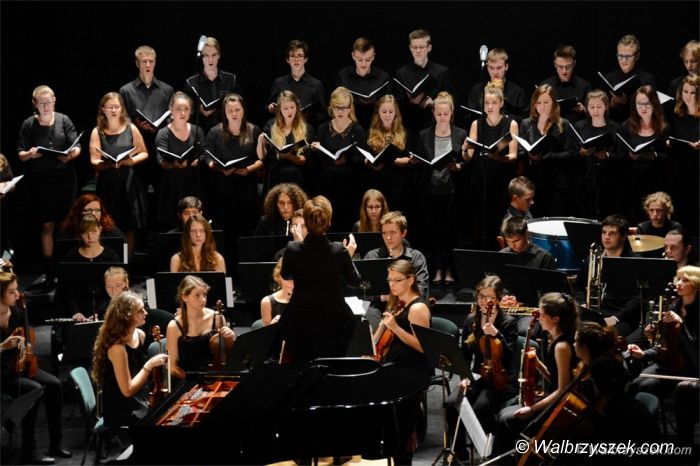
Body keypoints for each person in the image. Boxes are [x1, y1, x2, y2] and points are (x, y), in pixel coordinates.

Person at [493, 292, 579, 457]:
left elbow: (563, 389)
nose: (539, 318)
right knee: (504, 413)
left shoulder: (561, 346)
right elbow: (556, 379)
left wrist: (532, 409)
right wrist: (539, 366)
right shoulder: (556, 340)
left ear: (556, 319)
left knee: (506, 420)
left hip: (558, 405)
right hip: (553, 397)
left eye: (543, 315)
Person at [0, 272, 71, 464]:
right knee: (33, 389)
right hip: (3, 373)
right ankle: (29, 450)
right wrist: (2, 346)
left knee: (55, 385)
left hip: (21, 365)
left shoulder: (17, 312)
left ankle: (55, 443)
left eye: (17, 290)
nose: (18, 295)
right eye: (11, 292)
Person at [278, 196, 360, 363]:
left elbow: (286, 275)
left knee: (302, 365)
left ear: (307, 223)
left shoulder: (292, 248)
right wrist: (347, 257)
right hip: (334, 320)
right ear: (328, 221)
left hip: (300, 319)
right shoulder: (339, 250)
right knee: (333, 364)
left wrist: (299, 248)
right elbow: (355, 282)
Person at [447, 275, 518, 458]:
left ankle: (492, 452)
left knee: (480, 408)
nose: (485, 302)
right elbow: (464, 354)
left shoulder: (508, 322)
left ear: (499, 299)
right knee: (451, 403)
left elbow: (511, 355)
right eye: (481, 297)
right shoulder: (471, 320)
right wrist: (464, 377)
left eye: (490, 297)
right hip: (478, 376)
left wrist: (497, 334)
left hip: (501, 381)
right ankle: (459, 453)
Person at [17, 85, 81, 287]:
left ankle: (66, 268)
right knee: (47, 225)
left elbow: (77, 146)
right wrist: (30, 154)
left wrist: (69, 155)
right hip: (41, 181)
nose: (46, 106)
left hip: (65, 179)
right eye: (42, 103)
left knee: (66, 225)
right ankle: (49, 271)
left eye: (49, 102)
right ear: (35, 104)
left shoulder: (64, 120)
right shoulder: (29, 124)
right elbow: (20, 153)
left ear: (54, 100)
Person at [376, 259, 432, 466]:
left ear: (410, 280)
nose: (392, 284)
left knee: (401, 429)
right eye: (389, 280)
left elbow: (423, 347)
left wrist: (396, 328)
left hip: (412, 370)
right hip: (395, 367)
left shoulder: (417, 308)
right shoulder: (396, 304)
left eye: (397, 280)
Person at [204, 93, 264, 268]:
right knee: (226, 231)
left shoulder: (253, 130)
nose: (234, 114)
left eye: (237, 109)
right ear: (224, 112)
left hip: (246, 187)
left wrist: (248, 169)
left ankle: (245, 269)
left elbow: (262, 160)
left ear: (243, 110)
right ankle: (226, 269)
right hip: (223, 188)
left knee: (246, 230)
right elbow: (207, 156)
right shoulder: (215, 131)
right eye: (230, 111)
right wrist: (218, 168)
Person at [91, 291, 168, 426]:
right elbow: (127, 390)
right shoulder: (117, 348)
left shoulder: (140, 335)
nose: (146, 313)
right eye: (140, 311)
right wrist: (150, 364)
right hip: (121, 409)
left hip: (139, 398)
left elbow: (137, 372)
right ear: (127, 316)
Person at [628, 266, 699, 409]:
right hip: (669, 364)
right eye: (678, 279)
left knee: (647, 386)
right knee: (634, 385)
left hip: (691, 367)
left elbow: (695, 348)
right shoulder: (674, 307)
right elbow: (664, 345)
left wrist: (681, 324)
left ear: (696, 285)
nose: (679, 283)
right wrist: (643, 354)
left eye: (685, 280)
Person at [414, 91, 466, 284]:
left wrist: (457, 166)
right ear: (434, 113)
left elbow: (465, 163)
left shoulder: (460, 134)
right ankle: (437, 268)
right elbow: (419, 159)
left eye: (446, 114)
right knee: (433, 232)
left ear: (451, 114)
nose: (442, 117)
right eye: (439, 114)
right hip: (430, 190)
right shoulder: (424, 135)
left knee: (450, 232)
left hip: (452, 191)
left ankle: (450, 269)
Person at [89, 92, 148, 257]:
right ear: (103, 109)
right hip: (107, 183)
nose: (113, 110)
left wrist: (131, 161)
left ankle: (127, 262)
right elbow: (93, 159)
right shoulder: (97, 131)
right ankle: (111, 259)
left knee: (129, 225)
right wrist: (105, 163)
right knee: (108, 224)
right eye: (109, 107)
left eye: (116, 107)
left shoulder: (131, 128)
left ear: (122, 109)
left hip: (128, 182)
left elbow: (144, 153)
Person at [464, 82, 519, 248]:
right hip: (480, 180)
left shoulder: (511, 124)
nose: (489, 106)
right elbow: (468, 157)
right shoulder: (477, 124)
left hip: (501, 181)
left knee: (498, 223)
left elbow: (513, 156)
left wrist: (496, 157)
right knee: (480, 222)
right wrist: (465, 149)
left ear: (501, 103)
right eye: (486, 103)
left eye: (494, 103)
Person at [119, 45, 174, 196]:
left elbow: (171, 117)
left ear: (155, 63)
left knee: (162, 192)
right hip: (137, 147)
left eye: (151, 61)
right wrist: (135, 124)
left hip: (160, 147)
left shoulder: (167, 90)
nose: (148, 65)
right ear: (137, 64)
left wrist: (160, 126)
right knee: (138, 192)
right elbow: (122, 118)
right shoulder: (126, 90)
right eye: (144, 61)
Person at [310, 87, 367, 232]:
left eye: (344, 108)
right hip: (327, 185)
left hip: (350, 187)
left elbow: (361, 158)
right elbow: (317, 162)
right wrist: (316, 149)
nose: (340, 111)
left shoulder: (357, 130)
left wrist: (347, 160)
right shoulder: (322, 129)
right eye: (337, 108)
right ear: (331, 107)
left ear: (350, 108)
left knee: (348, 224)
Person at [576, 215, 641, 338]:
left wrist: (617, 317)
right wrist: (583, 303)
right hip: (594, 313)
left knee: (602, 338)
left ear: (623, 236)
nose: (606, 237)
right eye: (604, 232)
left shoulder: (634, 262)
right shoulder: (592, 259)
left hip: (621, 316)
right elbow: (579, 286)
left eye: (612, 233)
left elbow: (638, 297)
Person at [363, 211, 429, 330]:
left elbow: (421, 290)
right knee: (369, 321)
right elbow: (363, 293)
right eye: (384, 233)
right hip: (377, 308)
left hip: (405, 308)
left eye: (393, 233)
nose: (388, 238)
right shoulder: (371, 256)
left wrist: (397, 297)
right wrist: (383, 297)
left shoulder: (416, 257)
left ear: (403, 233)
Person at [518, 84, 576, 217]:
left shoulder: (563, 124)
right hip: (532, 182)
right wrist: (529, 155)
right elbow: (520, 151)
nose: (542, 106)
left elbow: (570, 153)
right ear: (534, 104)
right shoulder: (526, 123)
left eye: (546, 102)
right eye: (539, 102)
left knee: (554, 219)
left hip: (556, 182)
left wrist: (546, 156)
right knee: (534, 220)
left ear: (553, 103)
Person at [616, 85, 671, 223]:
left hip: (656, 183)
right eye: (639, 104)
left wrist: (654, 156)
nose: (643, 108)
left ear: (654, 104)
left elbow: (671, 157)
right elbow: (619, 155)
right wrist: (630, 156)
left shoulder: (664, 128)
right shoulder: (626, 126)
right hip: (631, 183)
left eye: (647, 103)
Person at [166, 275, 235, 379]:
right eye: (197, 295)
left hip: (214, 376)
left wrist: (231, 337)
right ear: (184, 297)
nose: (203, 300)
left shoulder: (217, 317)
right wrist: (196, 381)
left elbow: (225, 353)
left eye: (204, 295)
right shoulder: (174, 326)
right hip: (188, 378)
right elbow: (172, 368)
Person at [155, 92, 205, 231]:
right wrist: (173, 164)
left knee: (195, 222)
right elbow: (160, 159)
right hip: (172, 184)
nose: (183, 113)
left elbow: (204, 152)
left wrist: (197, 161)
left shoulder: (197, 130)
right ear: (171, 110)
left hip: (192, 181)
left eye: (186, 109)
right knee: (172, 223)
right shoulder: (163, 133)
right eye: (178, 109)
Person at [572, 90, 622, 219]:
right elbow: (572, 154)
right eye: (592, 107)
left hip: (608, 181)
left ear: (606, 106)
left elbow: (622, 156)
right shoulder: (580, 127)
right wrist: (581, 153)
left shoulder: (616, 127)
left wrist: (607, 155)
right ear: (586, 108)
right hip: (585, 180)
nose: (595, 111)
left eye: (599, 107)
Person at [395, 29, 456, 133]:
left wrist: (435, 103)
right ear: (410, 48)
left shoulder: (442, 72)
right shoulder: (401, 73)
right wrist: (411, 102)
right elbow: (397, 105)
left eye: (422, 47)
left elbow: (452, 101)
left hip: (434, 126)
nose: (418, 51)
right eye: (415, 47)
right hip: (409, 127)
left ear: (429, 48)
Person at [364, 94, 415, 214]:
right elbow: (366, 157)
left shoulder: (405, 133)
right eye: (384, 112)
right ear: (378, 113)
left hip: (399, 184)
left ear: (396, 113)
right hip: (377, 183)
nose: (387, 115)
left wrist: (395, 160)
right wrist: (371, 164)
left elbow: (410, 158)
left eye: (390, 112)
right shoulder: (371, 132)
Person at [183, 36, 242, 133]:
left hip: (227, 132)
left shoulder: (231, 80)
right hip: (201, 133)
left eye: (214, 55)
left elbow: (241, 106)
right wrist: (198, 110)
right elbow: (185, 112)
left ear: (219, 55)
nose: (210, 60)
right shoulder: (191, 82)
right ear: (202, 57)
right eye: (206, 55)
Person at [259, 91, 314, 194]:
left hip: (296, 176)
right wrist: (260, 143)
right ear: (280, 109)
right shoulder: (270, 125)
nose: (289, 111)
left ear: (297, 108)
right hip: (274, 176)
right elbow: (262, 157)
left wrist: (288, 156)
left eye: (292, 107)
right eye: (285, 108)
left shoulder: (307, 128)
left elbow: (304, 160)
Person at [267, 39, 326, 128]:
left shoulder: (316, 85)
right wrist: (270, 107)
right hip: (283, 130)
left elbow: (323, 115)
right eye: (292, 56)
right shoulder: (278, 83)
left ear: (305, 59)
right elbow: (269, 108)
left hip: (306, 130)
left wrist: (309, 116)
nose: (296, 59)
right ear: (287, 60)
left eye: (300, 56)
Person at [336, 37, 392, 129]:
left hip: (377, 126)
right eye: (359, 59)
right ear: (353, 56)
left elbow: (390, 106)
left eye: (368, 59)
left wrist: (375, 102)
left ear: (373, 56)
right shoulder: (344, 75)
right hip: (350, 126)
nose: (363, 64)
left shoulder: (383, 77)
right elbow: (337, 104)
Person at [668, 75, 699, 235]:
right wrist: (669, 142)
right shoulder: (676, 115)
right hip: (680, 169)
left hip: (698, 168)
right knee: (682, 210)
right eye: (685, 92)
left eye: (693, 92)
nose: (688, 96)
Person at [603, 35, 657, 123]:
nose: (624, 60)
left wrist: (625, 102)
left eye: (628, 56)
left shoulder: (648, 79)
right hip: (613, 125)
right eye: (620, 56)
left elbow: (652, 110)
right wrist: (609, 106)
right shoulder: (608, 78)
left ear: (637, 56)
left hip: (638, 124)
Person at [466, 48, 528, 124]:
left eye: (499, 68)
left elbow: (525, 118)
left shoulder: (517, 92)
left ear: (506, 66)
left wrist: (506, 118)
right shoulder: (477, 90)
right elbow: (470, 116)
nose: (495, 72)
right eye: (491, 68)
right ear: (487, 67)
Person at [540, 44, 592, 124]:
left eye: (568, 67)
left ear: (574, 63)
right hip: (552, 127)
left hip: (577, 129)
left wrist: (584, 110)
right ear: (555, 64)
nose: (564, 71)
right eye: (560, 67)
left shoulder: (585, 86)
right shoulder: (545, 85)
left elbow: (593, 116)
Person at [58, 193, 125, 240]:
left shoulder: (112, 232)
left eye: (97, 210)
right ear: (78, 213)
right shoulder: (67, 233)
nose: (93, 214)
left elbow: (124, 252)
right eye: (88, 210)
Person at [260, 258, 293, 326]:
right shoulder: (267, 302)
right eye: (288, 276)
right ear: (278, 277)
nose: (293, 281)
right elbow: (266, 331)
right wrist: (272, 325)